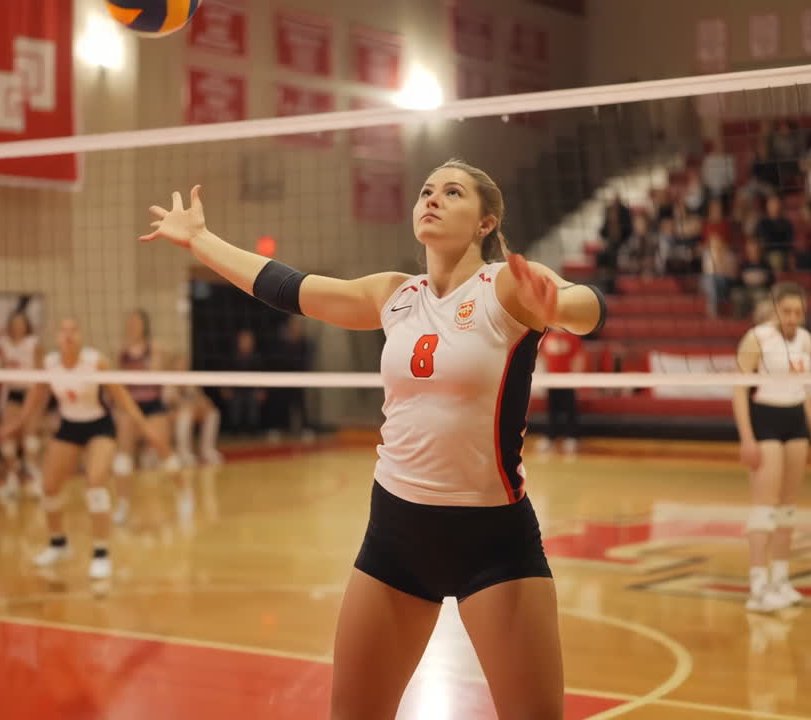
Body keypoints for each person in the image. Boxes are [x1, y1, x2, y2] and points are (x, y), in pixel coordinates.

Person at [140, 159, 605, 719]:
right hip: (396, 537)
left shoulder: (506, 286)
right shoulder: (394, 295)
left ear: (485, 223)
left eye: (452, 193)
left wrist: (559, 307)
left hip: (494, 542)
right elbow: (289, 287)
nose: (431, 198)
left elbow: (587, 306)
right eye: (426, 190)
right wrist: (201, 241)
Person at [0, 317, 164, 580]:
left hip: (100, 425)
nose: (68, 335)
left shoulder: (94, 361)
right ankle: (58, 543)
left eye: (73, 330)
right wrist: (19, 422)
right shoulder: (50, 364)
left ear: (80, 335)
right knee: (49, 486)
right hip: (69, 426)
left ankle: (101, 553)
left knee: (95, 482)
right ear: (56, 337)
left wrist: (146, 429)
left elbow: (122, 397)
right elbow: (36, 393)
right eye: (63, 330)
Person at [733, 282, 811, 613]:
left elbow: (805, 388)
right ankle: (758, 587)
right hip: (766, 420)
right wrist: (746, 437)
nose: (792, 318)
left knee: (788, 507)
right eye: (786, 312)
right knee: (765, 507)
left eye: (798, 313)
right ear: (775, 309)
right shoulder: (757, 338)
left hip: (796, 420)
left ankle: (780, 580)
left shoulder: (804, 340)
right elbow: (739, 390)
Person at [112, 309, 179, 525]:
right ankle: (122, 505)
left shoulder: (154, 348)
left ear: (144, 325)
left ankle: (183, 492)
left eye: (136, 322)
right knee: (123, 454)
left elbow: (160, 372)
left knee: (163, 449)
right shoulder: (120, 350)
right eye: (129, 321)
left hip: (152, 405)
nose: (132, 325)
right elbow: (115, 380)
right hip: (130, 406)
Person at [0, 310, 44, 502]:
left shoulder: (33, 344)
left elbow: (41, 372)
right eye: (14, 323)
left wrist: (41, 400)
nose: (18, 326)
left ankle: (37, 480)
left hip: (31, 392)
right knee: (6, 435)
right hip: (13, 393)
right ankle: (12, 480)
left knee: (30, 439)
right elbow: (0, 369)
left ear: (26, 325)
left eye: (21, 323)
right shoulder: (4, 344)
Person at [164, 351, 224, 466]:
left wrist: (204, 404)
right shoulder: (168, 381)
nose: (183, 366)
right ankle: (184, 452)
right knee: (185, 415)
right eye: (180, 364)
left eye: (185, 364)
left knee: (212, 412)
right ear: (173, 365)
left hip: (190, 411)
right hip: (171, 414)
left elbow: (200, 397)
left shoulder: (190, 379)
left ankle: (207, 450)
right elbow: (175, 402)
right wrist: (191, 405)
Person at [536, 329, 584, 454]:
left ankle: (571, 437)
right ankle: (550, 437)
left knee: (570, 409)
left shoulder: (572, 337)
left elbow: (578, 357)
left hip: (567, 380)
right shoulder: (547, 337)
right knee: (552, 409)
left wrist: (576, 378)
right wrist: (544, 376)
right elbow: (543, 358)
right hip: (552, 380)